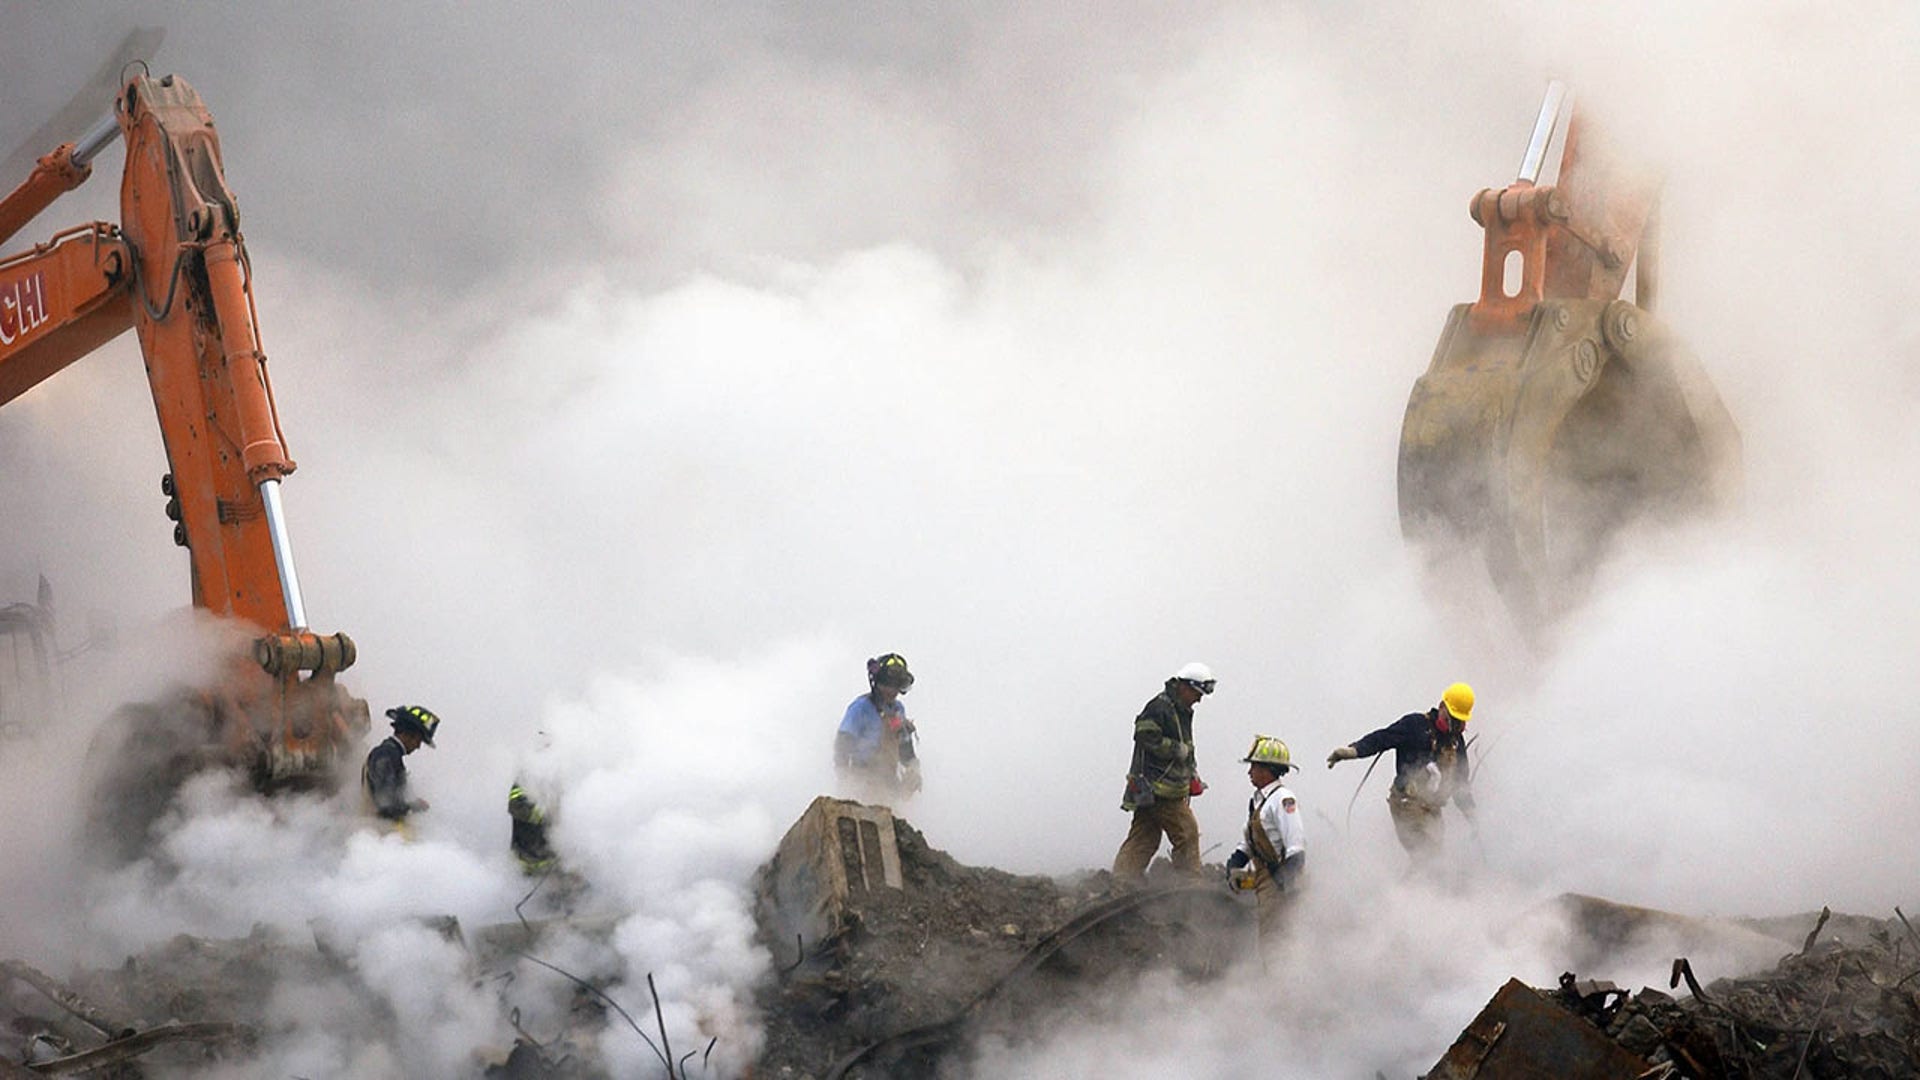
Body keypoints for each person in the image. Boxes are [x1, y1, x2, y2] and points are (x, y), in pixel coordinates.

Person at [1326, 682, 1477, 867]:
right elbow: (1382, 738)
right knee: (1429, 859)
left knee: (1435, 859)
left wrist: (1471, 814)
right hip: (1407, 806)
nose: (1455, 726)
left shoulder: (1456, 742)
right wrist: (1352, 751)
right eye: (1451, 719)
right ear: (1442, 707)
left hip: (1433, 810)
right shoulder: (1415, 726)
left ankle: (1409, 891)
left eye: (1460, 723)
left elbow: (1460, 783)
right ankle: (1415, 892)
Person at [1111, 662, 1215, 887]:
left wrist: (1192, 774)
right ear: (1185, 687)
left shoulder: (1180, 710)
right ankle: (1191, 888)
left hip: (1155, 788)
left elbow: (1187, 747)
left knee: (1144, 837)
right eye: (1197, 693)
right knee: (1187, 832)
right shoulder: (1160, 708)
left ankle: (1121, 882)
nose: (1199, 699)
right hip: (1159, 789)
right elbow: (1145, 734)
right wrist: (1176, 750)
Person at [1225, 735, 1306, 947]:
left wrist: (1285, 882)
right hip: (1266, 879)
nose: (1249, 772)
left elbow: (1296, 847)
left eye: (1254, 766)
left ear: (1267, 769)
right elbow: (1252, 839)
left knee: (1276, 940)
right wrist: (1235, 863)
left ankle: (1282, 979)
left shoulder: (1283, 799)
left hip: (1279, 880)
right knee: (1269, 936)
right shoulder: (1259, 800)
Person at [834, 653, 920, 803]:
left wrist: (913, 770)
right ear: (877, 682)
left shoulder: (898, 710)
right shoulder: (861, 707)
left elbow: (905, 747)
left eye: (896, 685)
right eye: (888, 684)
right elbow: (843, 742)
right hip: (862, 780)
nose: (892, 690)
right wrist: (845, 781)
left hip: (889, 784)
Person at [363, 705, 440, 829]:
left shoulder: (389, 754)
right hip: (381, 835)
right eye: (419, 740)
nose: (418, 746)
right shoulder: (386, 755)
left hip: (386, 836)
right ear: (409, 734)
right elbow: (385, 804)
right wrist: (414, 806)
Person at [508, 781, 558, 874]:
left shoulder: (558, 781)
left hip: (552, 862)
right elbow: (514, 806)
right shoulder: (525, 779)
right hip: (528, 858)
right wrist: (541, 815)